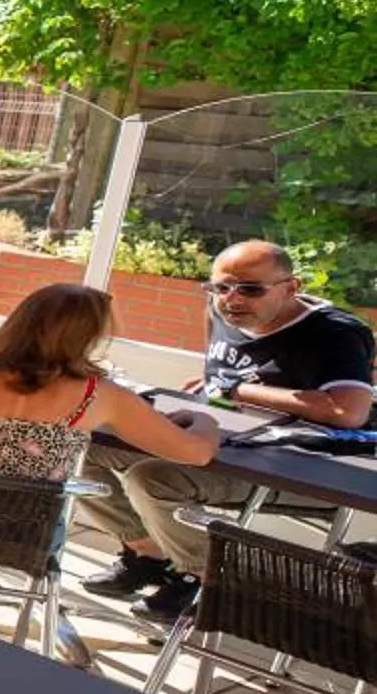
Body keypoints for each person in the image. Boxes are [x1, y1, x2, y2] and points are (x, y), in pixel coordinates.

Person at [78, 238, 376, 622]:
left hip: (299, 464)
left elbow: (348, 412)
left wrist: (240, 391)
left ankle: (204, 577)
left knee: (153, 478)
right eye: (220, 287)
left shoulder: (334, 332)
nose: (232, 299)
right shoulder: (223, 311)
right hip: (227, 438)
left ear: (291, 287)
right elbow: (219, 380)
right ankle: (148, 553)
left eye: (251, 289)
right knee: (81, 447)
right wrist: (209, 393)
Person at [0, 283, 222, 613]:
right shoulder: (98, 394)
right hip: (28, 534)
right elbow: (196, 453)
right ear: (87, 338)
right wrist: (204, 420)